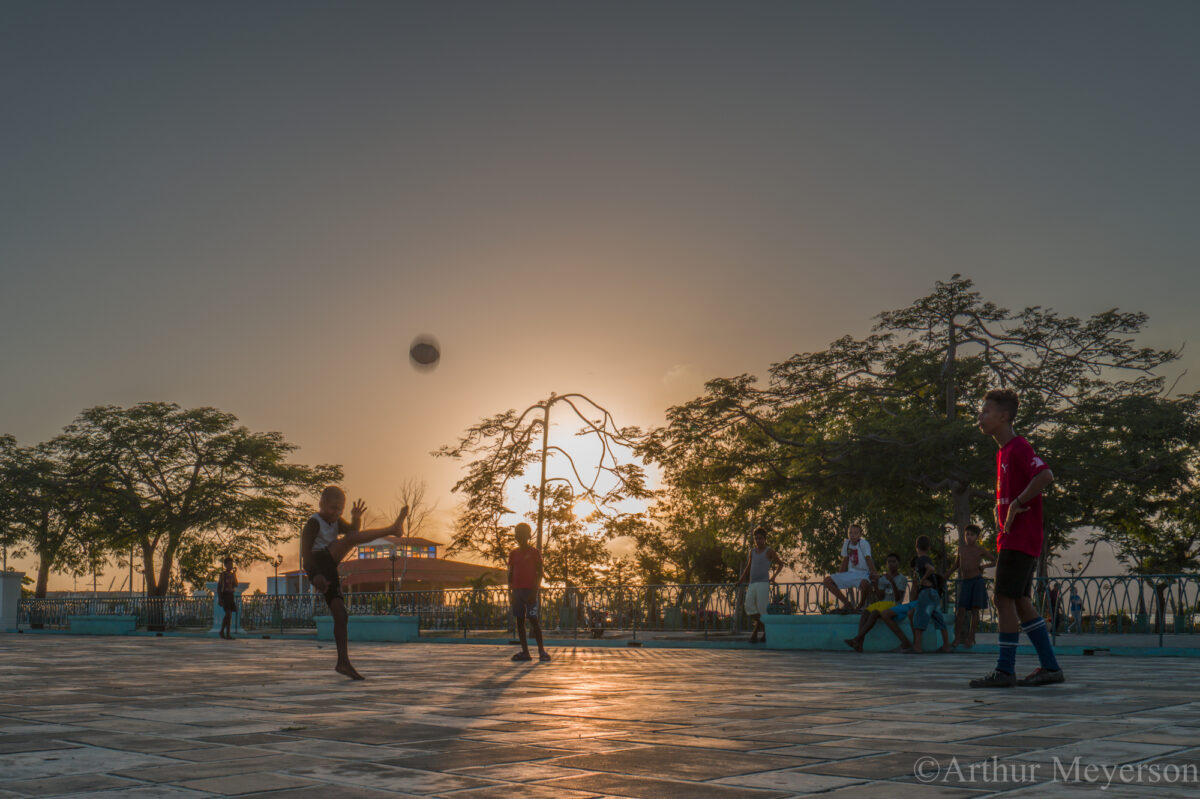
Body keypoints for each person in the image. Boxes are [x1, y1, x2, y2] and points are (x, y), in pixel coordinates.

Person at [970, 389, 1063, 688]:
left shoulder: (1019, 447)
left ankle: (1005, 670)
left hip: (1019, 537)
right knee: (1021, 601)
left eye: (986, 411)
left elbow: (1045, 475)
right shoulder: (1003, 452)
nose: (980, 417)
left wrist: (1016, 504)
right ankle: (1050, 667)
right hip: (1014, 538)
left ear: (1004, 416)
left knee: (1002, 598)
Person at [300, 486, 408, 680]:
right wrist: (313, 576)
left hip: (329, 567)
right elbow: (305, 555)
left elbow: (353, 532)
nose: (337, 513)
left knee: (341, 615)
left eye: (341, 509)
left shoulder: (335, 521)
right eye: (333, 508)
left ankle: (343, 662)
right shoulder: (313, 523)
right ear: (321, 504)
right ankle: (393, 529)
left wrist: (355, 517)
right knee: (349, 539)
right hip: (318, 562)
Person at [844, 552, 907, 652]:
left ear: (898, 563)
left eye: (893, 562)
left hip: (894, 604)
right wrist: (876, 583)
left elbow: (898, 598)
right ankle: (860, 644)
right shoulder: (883, 579)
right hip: (883, 603)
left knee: (874, 613)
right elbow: (880, 597)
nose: (891, 564)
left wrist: (892, 582)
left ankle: (856, 639)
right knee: (865, 612)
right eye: (889, 562)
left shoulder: (902, 579)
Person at [947, 524, 995, 649]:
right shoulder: (961, 549)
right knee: (961, 611)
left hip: (977, 581)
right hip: (965, 582)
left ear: (977, 537)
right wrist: (946, 574)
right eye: (967, 534)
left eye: (972, 535)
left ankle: (971, 637)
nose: (969, 537)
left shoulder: (980, 550)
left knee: (975, 610)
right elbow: (957, 564)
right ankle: (957, 638)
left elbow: (995, 560)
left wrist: (984, 567)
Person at [509, 522, 550, 662]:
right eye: (517, 534)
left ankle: (542, 651)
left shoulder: (534, 552)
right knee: (519, 621)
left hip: (530, 590)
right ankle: (525, 652)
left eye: (521, 534)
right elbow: (510, 573)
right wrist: (511, 592)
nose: (518, 536)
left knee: (533, 620)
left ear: (527, 535)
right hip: (517, 591)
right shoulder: (513, 554)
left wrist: (535, 591)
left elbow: (539, 573)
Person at [905, 535, 951, 654]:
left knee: (919, 620)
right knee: (939, 620)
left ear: (916, 547)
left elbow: (930, 569)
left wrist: (922, 579)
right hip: (934, 593)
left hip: (926, 592)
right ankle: (946, 646)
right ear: (929, 548)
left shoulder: (921, 560)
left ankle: (918, 647)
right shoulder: (928, 558)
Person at [738, 526, 784, 644]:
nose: (758, 541)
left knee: (762, 610)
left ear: (764, 539)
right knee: (749, 607)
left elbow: (780, 564)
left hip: (763, 583)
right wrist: (741, 579)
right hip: (752, 583)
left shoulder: (769, 551)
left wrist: (773, 577)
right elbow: (748, 566)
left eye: (760, 538)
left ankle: (756, 635)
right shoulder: (752, 552)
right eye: (756, 538)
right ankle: (767, 629)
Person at [823, 524, 877, 613]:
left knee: (865, 584)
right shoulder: (847, 543)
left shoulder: (864, 544)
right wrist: (839, 577)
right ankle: (848, 604)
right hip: (851, 573)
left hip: (863, 573)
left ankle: (861, 605)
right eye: (850, 533)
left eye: (855, 533)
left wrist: (874, 573)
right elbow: (845, 560)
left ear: (860, 535)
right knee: (827, 581)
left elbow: (868, 558)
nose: (852, 535)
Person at [217, 556, 238, 640]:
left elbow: (236, 584)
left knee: (228, 615)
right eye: (229, 564)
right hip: (225, 595)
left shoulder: (232, 575)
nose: (230, 565)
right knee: (228, 614)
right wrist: (220, 598)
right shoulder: (222, 575)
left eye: (231, 564)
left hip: (231, 595)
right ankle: (226, 633)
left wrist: (234, 574)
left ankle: (223, 631)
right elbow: (219, 587)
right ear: (225, 565)